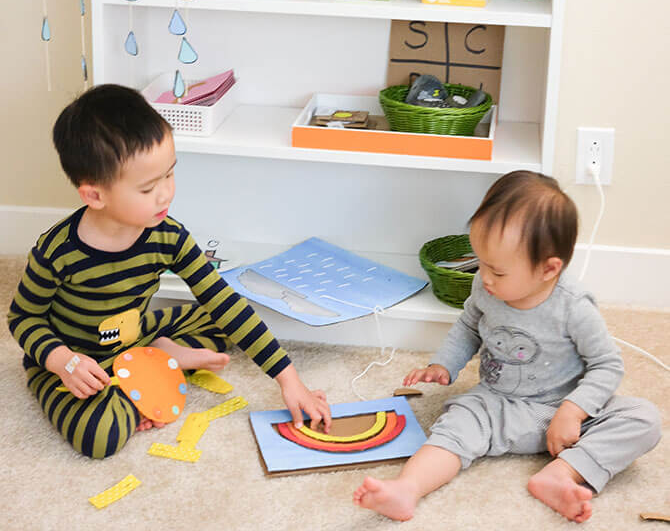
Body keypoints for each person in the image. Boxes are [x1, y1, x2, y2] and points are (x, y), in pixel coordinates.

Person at [8, 84, 331, 458]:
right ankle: (148, 376)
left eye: (169, 175)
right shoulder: (57, 251)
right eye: (148, 188)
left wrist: (289, 381)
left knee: (221, 322)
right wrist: (61, 360)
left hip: (135, 336)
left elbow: (224, 302)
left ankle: (157, 357)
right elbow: (24, 317)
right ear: (94, 195)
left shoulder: (169, 235)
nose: (165, 194)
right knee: (99, 437)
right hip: (74, 361)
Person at [354, 170, 661, 523]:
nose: (484, 277)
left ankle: (561, 474)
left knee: (642, 418)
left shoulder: (573, 307)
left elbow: (608, 365)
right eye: (481, 263)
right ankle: (406, 489)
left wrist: (574, 411)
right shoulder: (485, 290)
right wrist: (444, 364)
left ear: (548, 269)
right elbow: (469, 326)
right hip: (497, 406)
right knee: (455, 425)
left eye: (498, 272)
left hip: (563, 413)